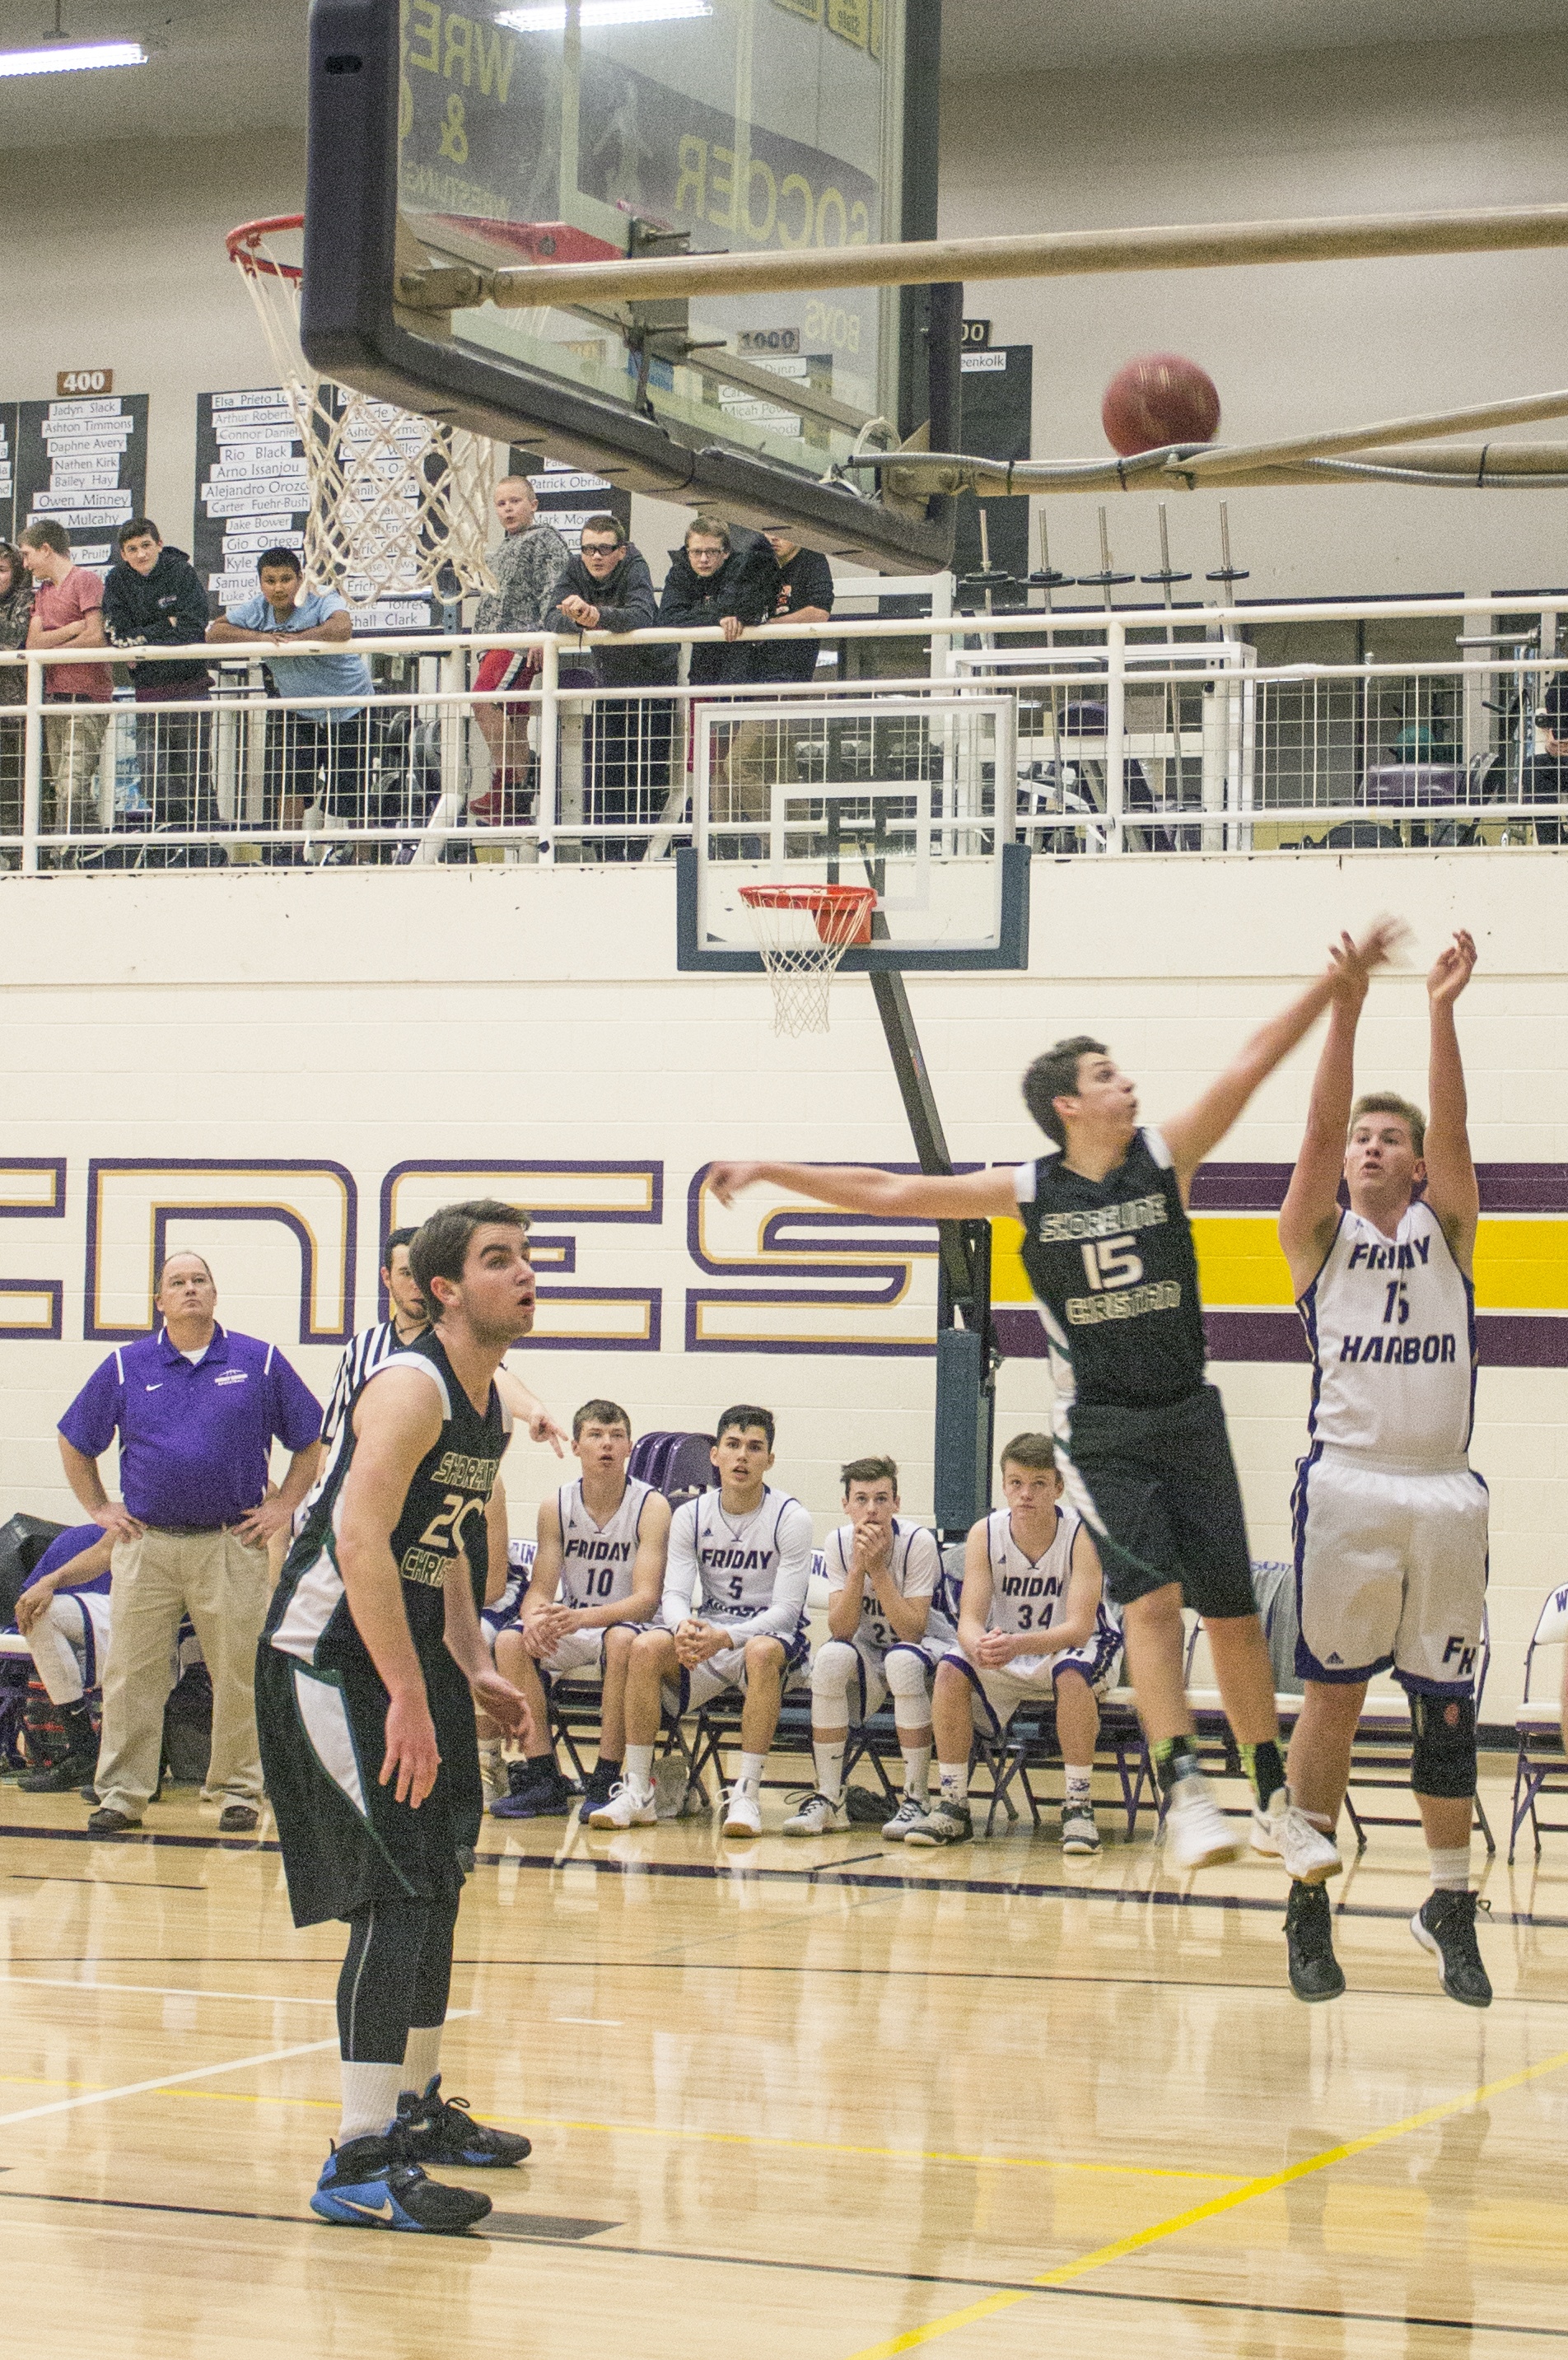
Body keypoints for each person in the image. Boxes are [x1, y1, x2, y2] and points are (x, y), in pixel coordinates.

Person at [707, 926, 1398, 1897]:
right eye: (1106, 1074)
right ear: (1068, 1104)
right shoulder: (1026, 1190)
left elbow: (1248, 1066)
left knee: (1234, 1617)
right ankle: (1184, 1790)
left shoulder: (1161, 1158)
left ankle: (1271, 1799)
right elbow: (890, 1190)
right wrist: (774, 1168)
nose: (1127, 1083)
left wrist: (1331, 989)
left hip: (1187, 1412)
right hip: (1103, 1429)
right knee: (1150, 1605)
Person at [257, 1199, 535, 2232]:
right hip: (328, 1659)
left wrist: (469, 1660)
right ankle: (358, 2156)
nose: (524, 1273)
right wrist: (410, 1695)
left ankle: (415, 2112)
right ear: (444, 1290)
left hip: (406, 1654)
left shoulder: (484, 1398)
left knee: (440, 1880)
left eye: (525, 1256)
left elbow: (444, 1537)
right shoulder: (411, 1388)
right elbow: (360, 1538)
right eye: (499, 1259)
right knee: (395, 1893)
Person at [1277, 927, 1492, 2008]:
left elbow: (1454, 1133)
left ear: (1415, 1165)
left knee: (1446, 1708)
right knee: (1335, 1699)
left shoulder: (1447, 1228)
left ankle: (1446, 1901)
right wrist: (1346, 1006)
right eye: (1362, 1137)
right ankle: (1307, 1902)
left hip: (1443, 1489)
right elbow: (1318, 1129)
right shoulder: (1315, 1239)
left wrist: (1439, 1011)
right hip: (1349, 1485)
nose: (1368, 1146)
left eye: (1389, 1138)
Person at [57, 1249, 322, 1835]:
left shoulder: (259, 1360)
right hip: (147, 1545)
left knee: (239, 1673)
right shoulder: (125, 1365)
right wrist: (98, 1508)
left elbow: (311, 1440)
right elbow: (75, 1440)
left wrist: (283, 1506)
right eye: (177, 1282)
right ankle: (123, 1794)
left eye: (200, 1280)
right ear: (160, 1301)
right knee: (131, 1674)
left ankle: (238, 1791)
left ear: (215, 1293)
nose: (190, 1289)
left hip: (230, 1544)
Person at [589, 1404, 811, 1836]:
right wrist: (681, 1628)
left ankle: (746, 1795)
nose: (742, 1456)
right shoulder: (690, 1514)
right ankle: (638, 1790)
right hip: (710, 1635)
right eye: (733, 1445)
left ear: (769, 1460)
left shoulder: (790, 1517)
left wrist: (725, 1637)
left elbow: (786, 1612)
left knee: (762, 1652)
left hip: (766, 1641)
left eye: (754, 1448)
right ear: (715, 1455)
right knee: (645, 1646)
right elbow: (673, 1594)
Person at [909, 1434, 1118, 1854]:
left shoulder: (1082, 1535)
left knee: (1072, 1674)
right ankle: (953, 1804)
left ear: (1058, 1487)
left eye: (1038, 1484)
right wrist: (978, 1646)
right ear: (1003, 1485)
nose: (1026, 1494)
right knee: (950, 1669)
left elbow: (1079, 1628)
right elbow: (969, 1621)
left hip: (1073, 1645)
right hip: (1011, 1648)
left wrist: (1016, 1645)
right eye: (1016, 1483)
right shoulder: (985, 1533)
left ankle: (1078, 1806)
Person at [491, 1397, 669, 1821]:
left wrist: (579, 1618)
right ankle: (543, 1778)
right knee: (510, 1641)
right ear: (576, 1447)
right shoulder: (557, 1504)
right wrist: (535, 1617)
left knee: (620, 1639)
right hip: (576, 1622)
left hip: (627, 1625)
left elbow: (646, 1601)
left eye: (617, 1436)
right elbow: (540, 1588)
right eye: (595, 1435)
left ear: (629, 1447)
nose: (607, 1444)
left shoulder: (652, 1505)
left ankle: (605, 1778)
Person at [782, 1453, 951, 1840]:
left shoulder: (918, 1542)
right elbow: (841, 1628)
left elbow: (911, 1630)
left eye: (881, 1498)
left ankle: (917, 1798)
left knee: (903, 1659)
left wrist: (878, 1569)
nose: (871, 1509)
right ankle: (830, 1797)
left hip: (930, 1649)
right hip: (871, 1650)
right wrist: (859, 1567)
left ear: (897, 1503)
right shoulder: (838, 1542)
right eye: (861, 1499)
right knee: (830, 1657)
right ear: (846, 1505)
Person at [320, 1226, 567, 1458]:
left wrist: (532, 1409)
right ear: (387, 1277)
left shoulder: (454, 1339)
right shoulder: (362, 1345)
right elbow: (331, 1437)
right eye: (406, 1273)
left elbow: (495, 1377)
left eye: (422, 1274)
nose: (416, 1284)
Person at [207, 548, 373, 860]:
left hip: (350, 705)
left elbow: (342, 627)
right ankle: (289, 855)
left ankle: (364, 858)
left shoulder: (321, 597)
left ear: (300, 579)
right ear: (260, 583)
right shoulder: (258, 610)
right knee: (290, 784)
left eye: (286, 579)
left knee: (355, 789)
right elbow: (215, 632)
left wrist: (301, 639)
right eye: (270, 581)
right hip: (299, 709)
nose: (278, 587)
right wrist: (262, 639)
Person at [545, 515, 677, 857]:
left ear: (621, 550)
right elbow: (550, 616)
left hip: (652, 682)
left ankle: (642, 852)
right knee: (605, 769)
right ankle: (608, 851)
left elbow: (642, 614)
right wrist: (579, 618)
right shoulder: (576, 567)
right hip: (610, 682)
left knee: (646, 770)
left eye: (604, 549)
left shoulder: (635, 566)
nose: (595, 556)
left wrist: (596, 616)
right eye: (588, 548)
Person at [658, 517, 778, 809]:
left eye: (711, 552)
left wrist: (709, 613)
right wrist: (719, 616)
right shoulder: (681, 571)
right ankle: (717, 832)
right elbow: (669, 618)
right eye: (696, 552)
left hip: (745, 681)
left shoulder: (743, 566)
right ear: (686, 551)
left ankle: (761, 833)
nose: (703, 559)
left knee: (740, 766)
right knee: (709, 767)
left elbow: (747, 608)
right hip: (704, 679)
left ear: (725, 552)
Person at [470, 476, 570, 823]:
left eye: (515, 501)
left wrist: (543, 633)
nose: (508, 509)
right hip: (493, 642)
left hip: (519, 640)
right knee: (512, 716)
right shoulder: (504, 547)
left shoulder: (545, 539)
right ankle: (513, 797)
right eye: (501, 503)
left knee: (484, 701)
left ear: (533, 504)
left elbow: (555, 589)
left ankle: (510, 784)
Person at [102, 519, 213, 831]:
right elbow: (118, 635)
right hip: (149, 692)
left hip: (191, 689)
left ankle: (206, 843)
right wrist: (167, 624)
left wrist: (142, 637)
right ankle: (170, 838)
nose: (141, 554)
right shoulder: (117, 580)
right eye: (132, 549)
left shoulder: (181, 572)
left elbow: (193, 628)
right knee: (153, 776)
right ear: (123, 554)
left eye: (146, 545)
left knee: (194, 774)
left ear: (159, 544)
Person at [19, 520, 113, 847]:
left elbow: (96, 637)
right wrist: (72, 629)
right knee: (62, 785)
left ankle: (78, 851)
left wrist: (54, 645)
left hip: (85, 696)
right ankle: (79, 850)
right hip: (54, 698)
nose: (25, 564)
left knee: (73, 784)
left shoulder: (85, 580)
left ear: (46, 549)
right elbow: (33, 644)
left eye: (28, 554)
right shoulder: (43, 592)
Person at [11, 1523, 115, 1793]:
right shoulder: (134, 1514)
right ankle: (83, 1749)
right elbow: (105, 1550)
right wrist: (49, 1581)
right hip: (125, 1602)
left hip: (184, 1599)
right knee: (39, 1613)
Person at [0, 539, 34, 865]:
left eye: (1, 570)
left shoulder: (26, 599)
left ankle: (18, 855)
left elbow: (12, 640)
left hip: (18, 713)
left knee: (17, 788)